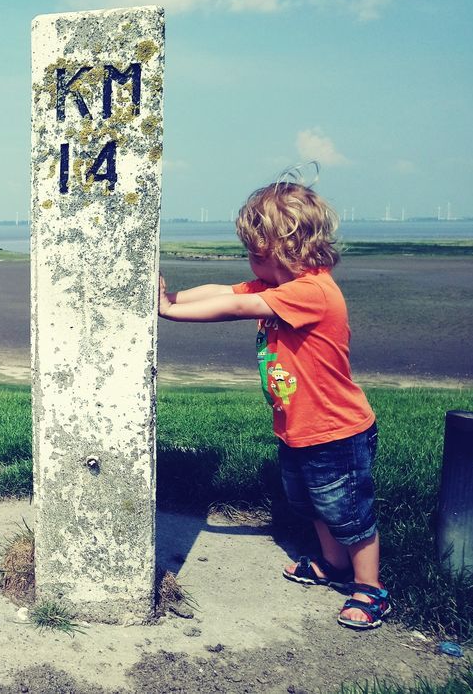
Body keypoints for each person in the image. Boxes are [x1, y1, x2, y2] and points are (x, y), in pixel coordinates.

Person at [157, 179, 388, 630]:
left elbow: (235, 308)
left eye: (256, 254)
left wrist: (168, 312)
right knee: (311, 504)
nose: (250, 263)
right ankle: (332, 564)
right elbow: (226, 291)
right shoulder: (278, 286)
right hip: (299, 427)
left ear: (289, 249)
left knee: (348, 511)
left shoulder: (312, 293)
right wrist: (170, 298)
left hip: (336, 432)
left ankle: (370, 588)